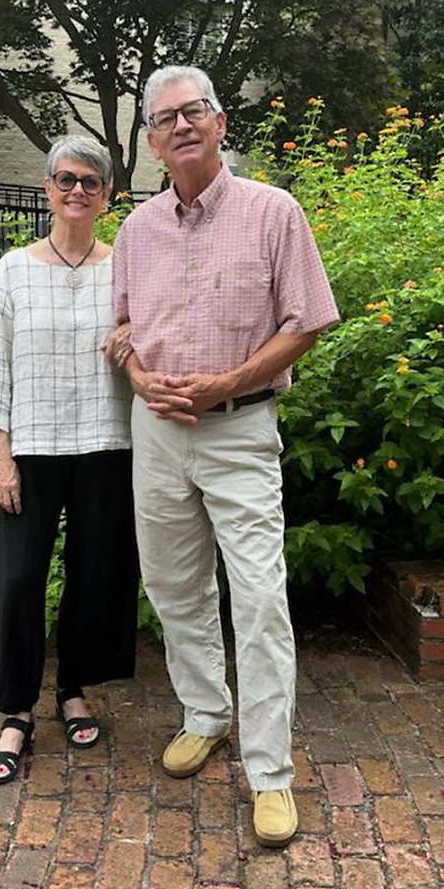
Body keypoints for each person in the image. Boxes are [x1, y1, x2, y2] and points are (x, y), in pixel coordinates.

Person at [111, 65, 340, 846]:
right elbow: (122, 333)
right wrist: (143, 379)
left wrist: (225, 386)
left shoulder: (274, 212)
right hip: (158, 434)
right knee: (173, 584)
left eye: (194, 111)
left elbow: (309, 321)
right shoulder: (136, 231)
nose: (180, 125)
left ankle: (270, 771)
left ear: (218, 124)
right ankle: (206, 714)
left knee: (260, 597)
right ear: (150, 141)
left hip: (239, 428)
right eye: (165, 117)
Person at [0, 135, 139, 785]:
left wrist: (133, 335)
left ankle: (73, 688)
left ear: (105, 196)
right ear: (47, 188)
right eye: (65, 179)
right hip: (31, 447)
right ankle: (15, 711)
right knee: (16, 581)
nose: (76, 191)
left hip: (105, 442)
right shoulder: (13, 269)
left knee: (95, 574)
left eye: (89, 182)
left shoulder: (124, 266)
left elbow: (155, 335)